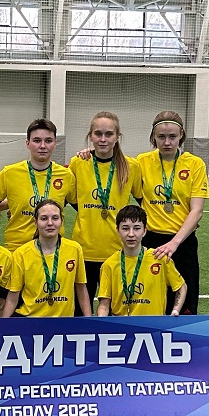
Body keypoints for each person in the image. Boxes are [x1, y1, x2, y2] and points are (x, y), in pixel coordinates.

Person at [136, 110, 209, 315]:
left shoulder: (195, 164)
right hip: (150, 243)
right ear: (153, 137)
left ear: (181, 135)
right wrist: (89, 152)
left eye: (172, 136)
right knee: (149, 303)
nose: (167, 142)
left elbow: (197, 210)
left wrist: (174, 243)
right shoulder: (141, 162)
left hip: (182, 243)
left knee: (185, 307)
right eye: (161, 137)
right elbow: (114, 166)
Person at [69, 111, 142, 314]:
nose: (103, 139)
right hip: (84, 250)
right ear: (90, 136)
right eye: (98, 134)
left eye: (109, 134)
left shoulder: (131, 167)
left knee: (114, 312)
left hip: (116, 251)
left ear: (117, 137)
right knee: (79, 313)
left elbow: (144, 201)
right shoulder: (78, 163)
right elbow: (72, 199)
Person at [0, 119, 76, 253]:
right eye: (37, 140)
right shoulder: (9, 173)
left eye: (48, 141)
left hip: (53, 249)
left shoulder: (66, 175)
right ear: (27, 143)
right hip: (17, 248)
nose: (42, 146)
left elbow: (80, 208)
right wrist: (14, 205)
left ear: (55, 143)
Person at [1, 199, 92, 317]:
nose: (50, 223)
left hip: (63, 321)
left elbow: (81, 288)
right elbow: (13, 295)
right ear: (35, 222)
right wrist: (3, 324)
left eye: (55, 218)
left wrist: (89, 321)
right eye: (44, 218)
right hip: (30, 320)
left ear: (61, 221)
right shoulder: (21, 254)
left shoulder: (75, 249)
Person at [97, 205, 186, 316]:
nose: (131, 234)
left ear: (144, 231)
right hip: (122, 324)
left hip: (153, 324)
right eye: (125, 228)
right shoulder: (109, 264)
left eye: (137, 228)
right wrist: (102, 320)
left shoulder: (159, 259)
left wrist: (175, 310)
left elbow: (181, 287)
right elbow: (104, 305)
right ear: (117, 230)